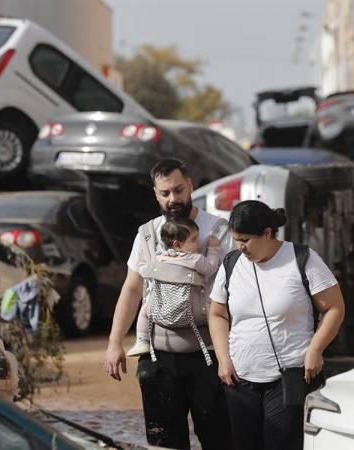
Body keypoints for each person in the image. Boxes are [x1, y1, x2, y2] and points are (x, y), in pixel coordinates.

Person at [105, 158, 234, 450]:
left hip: (210, 354)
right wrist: (115, 343)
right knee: (163, 442)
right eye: (165, 193)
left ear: (190, 186)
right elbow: (132, 288)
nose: (173, 199)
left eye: (178, 190)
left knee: (220, 439)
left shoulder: (219, 232)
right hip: (158, 356)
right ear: (155, 193)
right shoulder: (147, 234)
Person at [209, 200, 345, 450]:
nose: (240, 247)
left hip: (288, 378)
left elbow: (334, 307)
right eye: (236, 240)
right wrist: (223, 359)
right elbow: (217, 313)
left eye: (246, 240)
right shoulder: (232, 263)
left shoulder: (302, 258)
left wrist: (316, 349)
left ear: (268, 233)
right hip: (240, 379)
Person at [127, 215, 221, 358]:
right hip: (191, 308)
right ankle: (214, 340)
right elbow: (211, 267)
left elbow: (145, 271)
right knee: (211, 310)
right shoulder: (195, 259)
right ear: (177, 244)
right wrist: (214, 249)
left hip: (162, 307)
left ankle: (142, 339)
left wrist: (141, 264)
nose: (198, 244)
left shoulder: (159, 258)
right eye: (194, 240)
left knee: (145, 308)